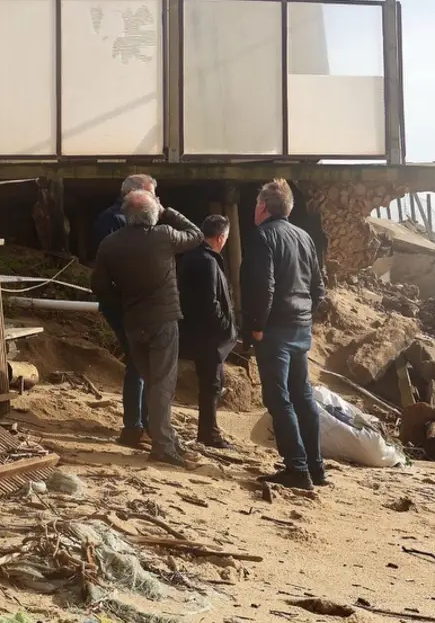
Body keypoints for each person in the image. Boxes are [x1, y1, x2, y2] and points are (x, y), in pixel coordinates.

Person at [92, 190, 203, 467]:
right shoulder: (163, 235)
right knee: (162, 384)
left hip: (133, 322)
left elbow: (100, 287)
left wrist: (121, 306)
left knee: (151, 381)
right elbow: (196, 234)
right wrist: (168, 211)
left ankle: (164, 435)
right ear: (153, 214)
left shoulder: (109, 244)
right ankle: (163, 444)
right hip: (163, 321)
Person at [243, 179, 328, 490]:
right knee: (302, 397)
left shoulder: (263, 237)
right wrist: (304, 315)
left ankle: (297, 468)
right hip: (300, 328)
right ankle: (316, 467)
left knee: (279, 399)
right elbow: (319, 289)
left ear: (263, 207)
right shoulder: (304, 237)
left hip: (275, 329)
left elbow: (262, 287)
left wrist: (257, 326)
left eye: (256, 204)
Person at [89, 174, 156, 448]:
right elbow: (106, 272)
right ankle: (135, 426)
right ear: (138, 196)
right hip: (124, 305)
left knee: (142, 362)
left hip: (134, 304)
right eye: (153, 195)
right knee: (138, 362)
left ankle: (143, 422)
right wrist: (121, 302)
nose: (157, 202)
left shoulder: (130, 222)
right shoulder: (113, 222)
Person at [177, 214, 238, 448]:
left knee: (212, 383)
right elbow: (210, 302)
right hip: (207, 335)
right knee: (211, 385)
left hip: (198, 331)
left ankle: (209, 431)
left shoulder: (195, 256)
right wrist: (226, 328)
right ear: (221, 237)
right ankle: (209, 433)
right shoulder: (207, 260)